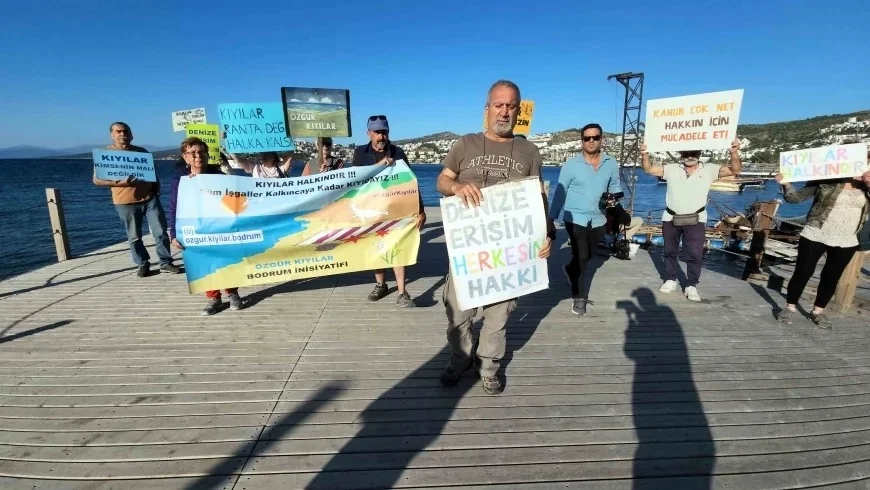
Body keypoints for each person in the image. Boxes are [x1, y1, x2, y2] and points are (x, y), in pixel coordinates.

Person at [435, 80, 555, 395]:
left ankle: (488, 367)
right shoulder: (465, 144)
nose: (504, 112)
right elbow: (442, 181)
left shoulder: (529, 150)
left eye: (510, 106)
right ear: (487, 109)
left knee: (498, 317)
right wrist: (457, 187)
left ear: (518, 110)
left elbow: (539, 199)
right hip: (468, 253)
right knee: (458, 316)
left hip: (509, 257)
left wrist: (548, 234)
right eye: (498, 105)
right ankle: (459, 361)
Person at [640, 139, 742, 301]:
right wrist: (645, 154)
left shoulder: (710, 169)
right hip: (671, 217)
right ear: (681, 155)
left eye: (694, 153)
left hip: (697, 218)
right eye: (686, 153)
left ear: (699, 154)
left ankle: (691, 285)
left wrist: (734, 152)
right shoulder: (671, 168)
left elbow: (735, 169)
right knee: (670, 251)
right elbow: (649, 168)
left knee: (694, 253)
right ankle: (670, 279)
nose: (690, 156)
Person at [774, 161, 870, 329]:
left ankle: (818, 311)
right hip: (815, 233)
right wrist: (786, 184)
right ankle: (790, 307)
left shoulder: (866, 187)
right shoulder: (827, 180)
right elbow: (795, 199)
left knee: (831, 277)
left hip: (847, 239)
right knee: (803, 272)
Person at [352, 115, 426, 308]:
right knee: (376, 249)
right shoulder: (360, 153)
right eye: (377, 132)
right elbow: (356, 180)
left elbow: (412, 182)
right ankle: (381, 284)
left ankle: (402, 293)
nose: (381, 136)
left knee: (396, 248)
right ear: (368, 133)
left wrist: (421, 210)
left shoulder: (399, 152)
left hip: (395, 209)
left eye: (384, 132)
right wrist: (380, 165)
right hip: (371, 210)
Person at [549, 123, 622, 315]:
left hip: (599, 219)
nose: (591, 141)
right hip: (575, 217)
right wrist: (551, 218)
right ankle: (579, 297)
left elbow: (615, 186)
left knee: (587, 256)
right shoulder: (571, 165)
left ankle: (570, 269)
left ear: (601, 139)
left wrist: (615, 200)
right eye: (587, 138)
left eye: (595, 137)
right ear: (582, 141)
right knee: (581, 255)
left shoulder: (611, 163)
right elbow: (560, 193)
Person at [93, 122, 181, 277]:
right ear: (111, 135)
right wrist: (119, 183)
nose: (122, 134)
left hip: (150, 199)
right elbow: (96, 180)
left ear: (131, 134)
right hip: (124, 202)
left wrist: (157, 189)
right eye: (118, 131)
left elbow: (151, 173)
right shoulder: (104, 154)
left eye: (125, 131)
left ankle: (165, 262)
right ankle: (143, 263)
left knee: (160, 232)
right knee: (134, 237)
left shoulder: (142, 152)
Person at [167, 137, 243, 316]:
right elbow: (174, 207)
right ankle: (213, 298)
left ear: (207, 155)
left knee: (225, 259)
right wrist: (172, 233)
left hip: (219, 226)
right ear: (185, 157)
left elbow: (235, 197)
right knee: (204, 262)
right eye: (192, 153)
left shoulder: (220, 176)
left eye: (201, 152)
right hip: (195, 229)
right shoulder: (181, 180)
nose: (197, 156)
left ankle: (232, 292)